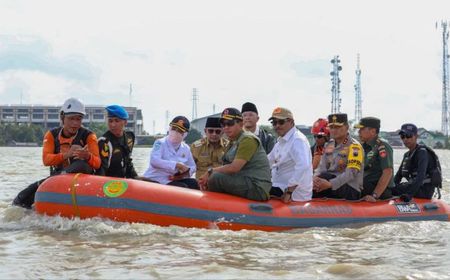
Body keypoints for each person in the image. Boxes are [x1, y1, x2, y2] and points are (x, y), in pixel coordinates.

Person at [12, 97, 101, 208]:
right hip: (57, 180)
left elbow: (97, 163)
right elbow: (46, 160)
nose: (75, 123)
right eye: (71, 119)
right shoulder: (51, 135)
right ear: (62, 118)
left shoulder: (89, 136)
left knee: (81, 164)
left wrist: (87, 156)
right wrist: (66, 155)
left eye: (78, 119)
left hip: (82, 181)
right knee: (21, 199)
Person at [199, 108, 271, 201]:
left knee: (215, 178)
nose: (226, 127)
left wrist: (210, 171)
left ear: (241, 124)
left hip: (256, 187)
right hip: (244, 181)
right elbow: (226, 167)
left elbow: (234, 168)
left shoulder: (248, 139)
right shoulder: (233, 141)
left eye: (230, 124)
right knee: (213, 177)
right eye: (223, 124)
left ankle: (212, 206)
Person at [313, 113, 364, 200]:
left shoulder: (354, 147)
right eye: (331, 127)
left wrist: (330, 184)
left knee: (325, 177)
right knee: (316, 179)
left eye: (338, 127)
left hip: (349, 187)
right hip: (330, 183)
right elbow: (321, 168)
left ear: (347, 127)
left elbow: (351, 173)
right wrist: (314, 179)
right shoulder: (329, 145)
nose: (334, 130)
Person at [267, 107, 312, 202]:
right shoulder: (281, 141)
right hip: (278, 187)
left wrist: (289, 191)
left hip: (293, 194)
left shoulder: (297, 140)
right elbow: (267, 162)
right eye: (274, 123)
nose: (277, 126)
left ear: (291, 122)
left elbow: (303, 166)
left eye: (281, 122)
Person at [143, 116, 198, 189]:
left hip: (173, 179)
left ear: (185, 134)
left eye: (179, 131)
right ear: (170, 128)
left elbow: (193, 167)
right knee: (182, 187)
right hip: (156, 178)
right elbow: (154, 161)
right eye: (173, 128)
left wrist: (181, 176)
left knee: (194, 183)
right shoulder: (160, 143)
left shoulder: (186, 148)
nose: (175, 132)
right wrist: (177, 165)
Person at [392, 123, 440, 199]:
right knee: (389, 188)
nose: (405, 139)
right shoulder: (407, 155)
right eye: (402, 136)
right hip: (414, 187)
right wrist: (390, 186)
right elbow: (398, 176)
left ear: (416, 136)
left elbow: (420, 176)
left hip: (424, 190)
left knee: (392, 190)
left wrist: (409, 195)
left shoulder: (422, 152)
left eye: (409, 136)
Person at [354, 117, 393, 202]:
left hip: (377, 189)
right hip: (364, 184)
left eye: (362, 129)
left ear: (373, 131)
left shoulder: (382, 147)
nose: (359, 132)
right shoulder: (361, 147)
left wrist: (374, 195)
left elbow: (387, 172)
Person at [96, 105, 138, 178]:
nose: (113, 125)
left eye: (117, 121)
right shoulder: (104, 142)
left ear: (125, 122)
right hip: (109, 182)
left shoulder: (130, 137)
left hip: (125, 180)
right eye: (110, 121)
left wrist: (136, 177)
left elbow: (128, 161)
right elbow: (101, 170)